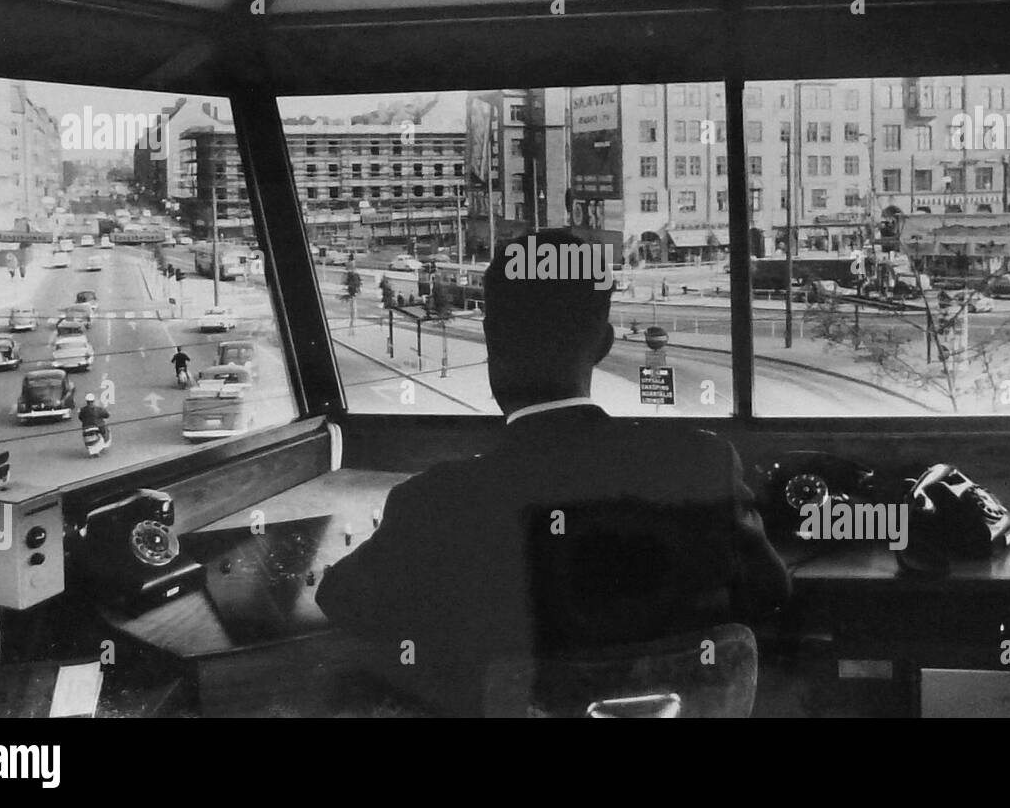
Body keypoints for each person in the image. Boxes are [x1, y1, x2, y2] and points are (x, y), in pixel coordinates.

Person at [316, 228, 791, 715]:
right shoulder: (701, 464)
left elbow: (344, 601)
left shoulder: (439, 501)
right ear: (603, 344)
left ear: (490, 336)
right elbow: (771, 591)